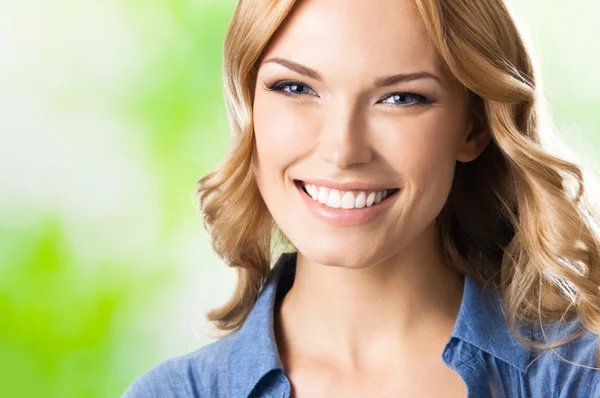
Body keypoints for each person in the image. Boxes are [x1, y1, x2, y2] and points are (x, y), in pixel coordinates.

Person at [123, 0, 600, 396]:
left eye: (401, 98)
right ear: (249, 108)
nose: (342, 150)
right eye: (295, 87)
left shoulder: (579, 377)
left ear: (473, 126)